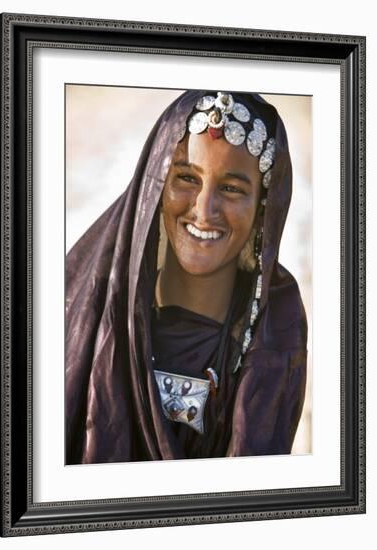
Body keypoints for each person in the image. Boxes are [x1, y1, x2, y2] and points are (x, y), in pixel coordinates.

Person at [65, 89, 307, 465]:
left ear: (263, 208)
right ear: (155, 187)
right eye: (187, 179)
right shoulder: (84, 313)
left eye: (231, 188)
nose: (204, 209)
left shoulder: (275, 325)